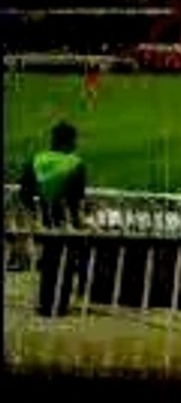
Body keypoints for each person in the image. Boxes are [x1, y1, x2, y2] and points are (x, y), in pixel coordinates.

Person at [19, 121, 86, 316]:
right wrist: (78, 223)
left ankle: (45, 304)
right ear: (69, 140)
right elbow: (76, 199)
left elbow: (24, 193)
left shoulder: (36, 159)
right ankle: (59, 305)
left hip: (44, 218)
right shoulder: (75, 163)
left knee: (49, 261)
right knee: (64, 263)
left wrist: (34, 215)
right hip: (64, 220)